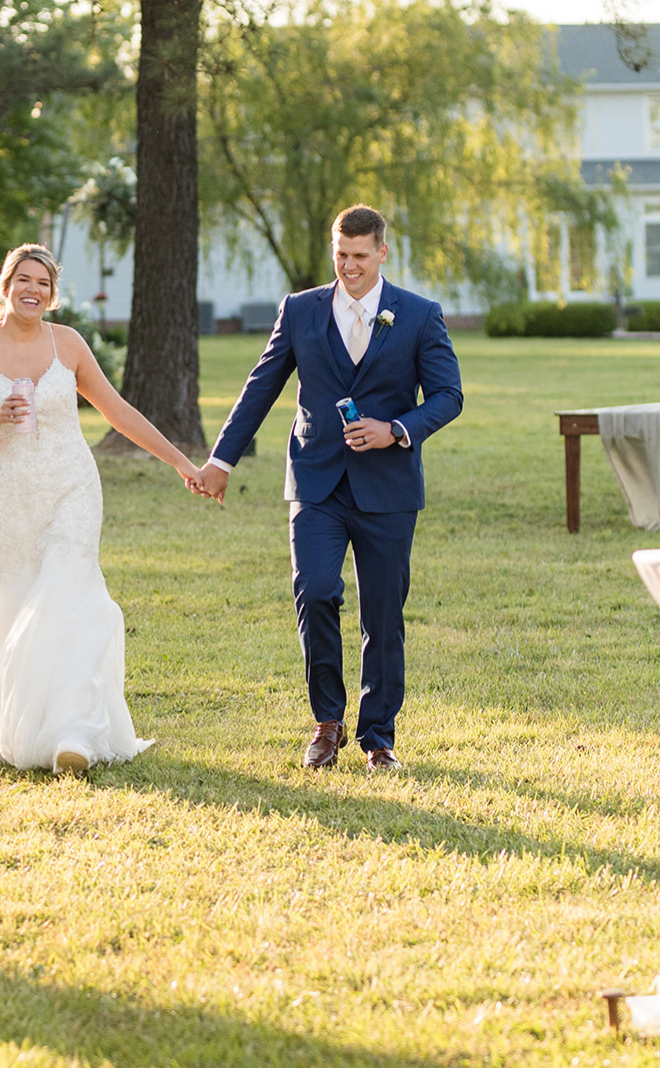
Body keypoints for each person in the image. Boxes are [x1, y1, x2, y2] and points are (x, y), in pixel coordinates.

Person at [0, 244, 205, 774]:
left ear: (51, 293)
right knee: (17, 596)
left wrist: (180, 462)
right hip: (10, 490)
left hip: (73, 483)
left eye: (43, 283)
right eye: (23, 280)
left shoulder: (68, 344)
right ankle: (10, 721)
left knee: (73, 594)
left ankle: (72, 732)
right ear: (4, 288)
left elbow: (117, 411)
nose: (33, 290)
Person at [194, 205, 463, 772]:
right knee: (315, 590)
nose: (349, 266)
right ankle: (327, 722)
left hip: (388, 489)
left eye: (360, 256)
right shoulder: (299, 310)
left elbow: (448, 396)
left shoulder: (418, 315)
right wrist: (222, 459)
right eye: (340, 255)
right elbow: (261, 386)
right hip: (315, 480)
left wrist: (397, 429)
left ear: (382, 253)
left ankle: (378, 736)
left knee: (383, 613)